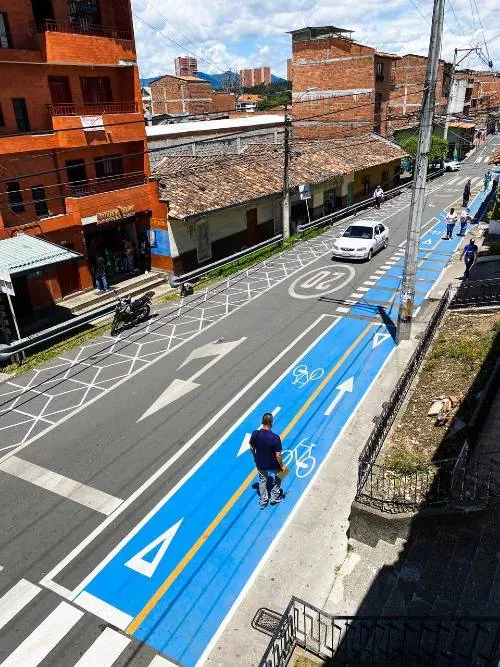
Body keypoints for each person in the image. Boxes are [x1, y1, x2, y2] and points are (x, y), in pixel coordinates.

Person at [249, 412, 289, 509]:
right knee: (282, 474)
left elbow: (251, 448)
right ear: (271, 423)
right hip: (273, 465)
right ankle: (275, 496)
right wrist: (282, 466)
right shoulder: (275, 438)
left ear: (262, 422)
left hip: (261, 464)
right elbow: (278, 456)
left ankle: (263, 501)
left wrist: (255, 457)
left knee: (262, 481)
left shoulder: (255, 434)